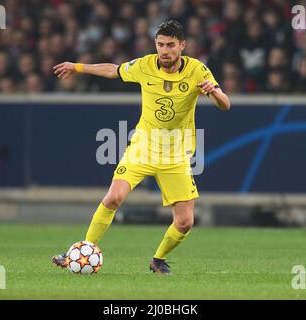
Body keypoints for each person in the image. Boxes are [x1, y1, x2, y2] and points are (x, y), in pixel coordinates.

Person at [51, 20, 230, 275]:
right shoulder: (145, 65)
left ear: (182, 45)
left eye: (170, 45)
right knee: (113, 198)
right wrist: (77, 67)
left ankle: (157, 260)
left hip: (176, 154)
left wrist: (214, 92)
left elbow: (226, 104)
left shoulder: (198, 71)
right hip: (142, 147)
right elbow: (113, 70)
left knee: (185, 221)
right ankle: (83, 250)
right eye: (160, 44)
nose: (164, 50)